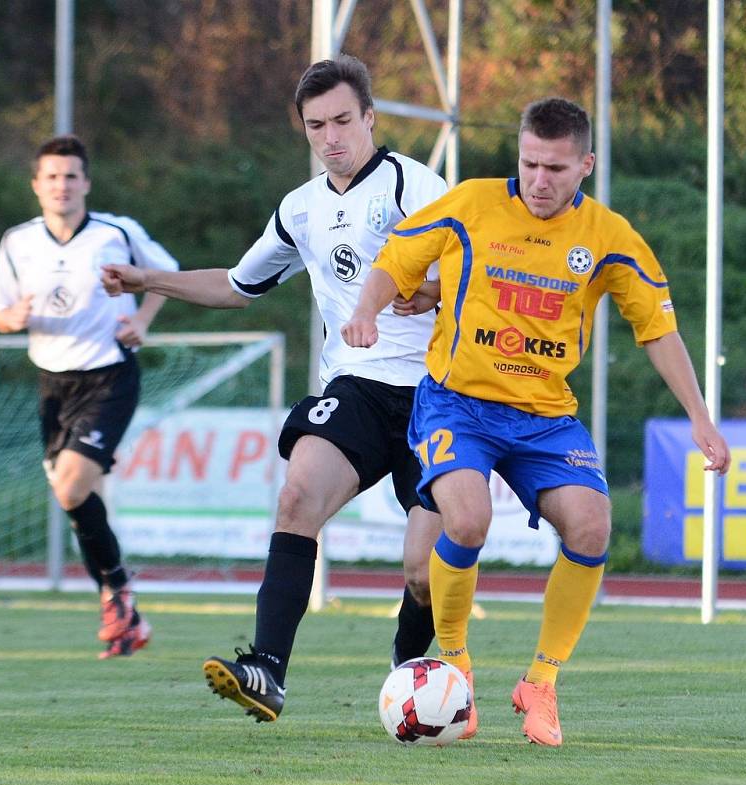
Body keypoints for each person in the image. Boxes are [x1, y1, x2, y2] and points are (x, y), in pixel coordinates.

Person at [102, 55, 480, 735]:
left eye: (343, 120)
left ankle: (410, 675)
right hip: (359, 389)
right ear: (303, 130)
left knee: (423, 572)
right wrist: (147, 281)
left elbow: (478, 276)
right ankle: (266, 670)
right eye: (316, 126)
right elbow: (237, 286)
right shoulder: (300, 209)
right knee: (296, 496)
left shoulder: (417, 187)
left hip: (437, 393)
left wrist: (428, 291)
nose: (331, 136)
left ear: (369, 117)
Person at [342, 96, 731, 747]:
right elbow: (397, 261)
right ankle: (458, 670)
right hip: (457, 402)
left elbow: (657, 327)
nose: (540, 180)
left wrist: (700, 417)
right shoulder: (471, 203)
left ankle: (541, 683)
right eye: (529, 164)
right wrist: (365, 311)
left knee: (592, 524)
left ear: (586, 165)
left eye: (555, 168)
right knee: (467, 519)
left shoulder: (606, 235)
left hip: (545, 417)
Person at [0, 134, 179, 658]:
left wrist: (141, 320)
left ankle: (117, 590)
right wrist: (14, 318)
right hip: (52, 384)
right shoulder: (17, 242)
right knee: (74, 499)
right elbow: (0, 314)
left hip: (108, 376)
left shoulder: (117, 233)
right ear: (36, 186)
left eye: (71, 175)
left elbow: (167, 275)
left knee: (72, 488)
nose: (61, 185)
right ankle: (124, 609)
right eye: (51, 176)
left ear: (86, 183)